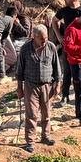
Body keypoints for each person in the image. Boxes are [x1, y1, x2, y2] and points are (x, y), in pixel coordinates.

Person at [17, 24, 61, 152]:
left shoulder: (51, 47)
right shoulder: (25, 49)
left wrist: (57, 84)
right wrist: (19, 88)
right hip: (31, 86)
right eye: (41, 39)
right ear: (34, 37)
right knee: (31, 114)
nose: (44, 41)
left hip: (47, 86)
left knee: (46, 113)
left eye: (46, 38)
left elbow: (57, 67)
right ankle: (30, 141)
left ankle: (45, 136)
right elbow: (20, 71)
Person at [52, 0, 81, 107]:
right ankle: (65, 97)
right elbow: (54, 21)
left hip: (80, 48)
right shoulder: (64, 10)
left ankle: (80, 98)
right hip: (68, 46)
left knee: (80, 72)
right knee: (67, 72)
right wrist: (59, 36)